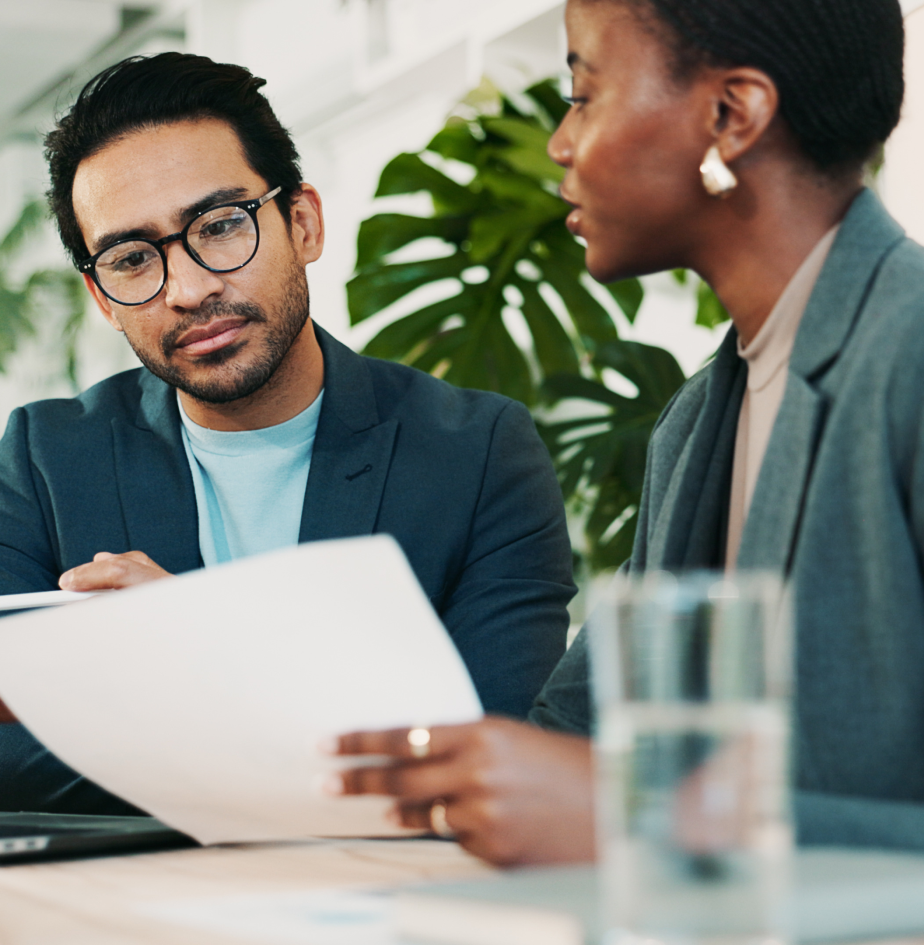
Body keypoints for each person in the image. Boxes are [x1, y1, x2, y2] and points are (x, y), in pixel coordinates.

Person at [332, 0, 924, 865]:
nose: (560, 144)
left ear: (731, 114)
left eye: (584, 91)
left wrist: (655, 823)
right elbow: (572, 734)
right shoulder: (693, 425)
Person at [0, 53, 575, 813]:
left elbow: (493, 750)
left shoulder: (475, 453)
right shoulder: (46, 457)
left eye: (220, 225)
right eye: (133, 259)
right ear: (102, 299)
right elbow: (11, 754)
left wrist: (210, 647)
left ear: (302, 222)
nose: (191, 289)